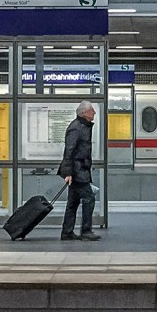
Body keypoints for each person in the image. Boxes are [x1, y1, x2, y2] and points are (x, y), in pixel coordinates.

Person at [57, 101, 100, 241]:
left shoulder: (82, 126)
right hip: (77, 170)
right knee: (89, 198)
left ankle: (67, 231)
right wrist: (68, 173)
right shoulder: (76, 128)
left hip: (80, 169)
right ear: (84, 113)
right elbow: (69, 151)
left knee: (73, 202)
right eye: (92, 110)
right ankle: (86, 230)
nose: (94, 112)